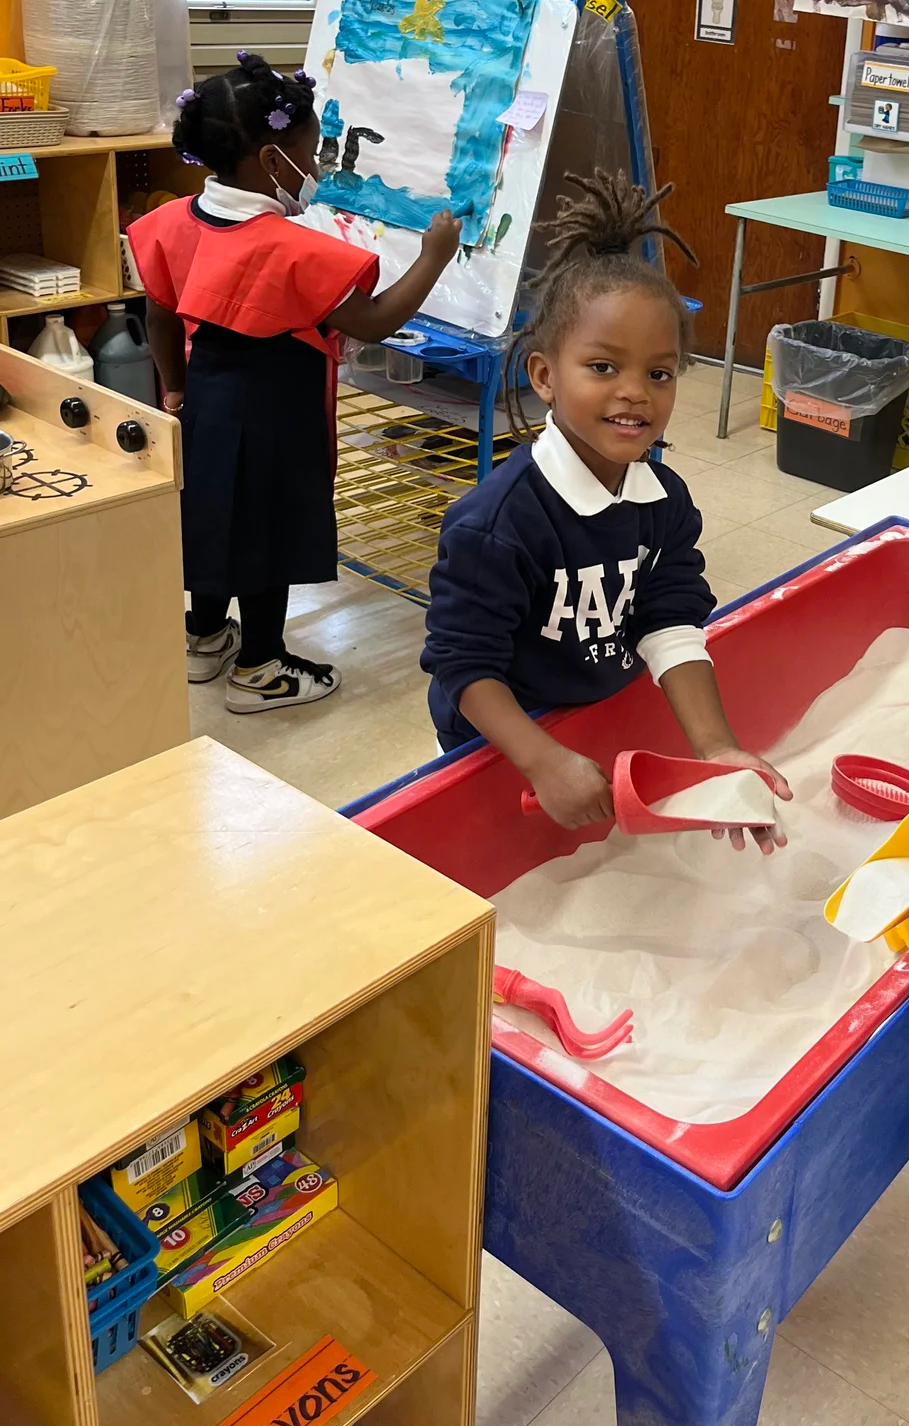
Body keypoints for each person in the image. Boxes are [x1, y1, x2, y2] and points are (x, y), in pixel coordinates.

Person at [421, 170, 789, 852]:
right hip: (504, 741)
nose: (634, 393)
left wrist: (716, 748)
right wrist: (540, 757)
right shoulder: (497, 523)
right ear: (543, 375)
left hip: (594, 717)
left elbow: (670, 619)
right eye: (602, 367)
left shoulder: (663, 499)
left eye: (659, 373)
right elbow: (463, 666)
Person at [131, 52, 461, 712]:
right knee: (269, 535)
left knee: (213, 519)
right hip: (277, 415)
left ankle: (202, 638)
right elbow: (373, 322)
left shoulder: (169, 222)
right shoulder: (293, 249)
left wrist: (173, 389)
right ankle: (260, 666)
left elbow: (160, 312)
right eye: (309, 154)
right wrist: (433, 258)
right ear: (269, 158)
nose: (313, 169)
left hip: (206, 397)